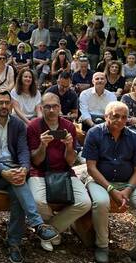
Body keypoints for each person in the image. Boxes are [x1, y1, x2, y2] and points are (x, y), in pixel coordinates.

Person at [0, 91, 59, 262]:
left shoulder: (18, 125)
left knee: (17, 193)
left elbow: (23, 150)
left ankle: (14, 243)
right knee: (19, 184)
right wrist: (3, 172)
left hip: (14, 171)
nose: (4, 106)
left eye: (7, 102)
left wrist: (24, 168)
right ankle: (37, 224)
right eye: (0, 103)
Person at [82, 101, 136, 263]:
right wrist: (111, 189)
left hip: (126, 183)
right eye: (115, 116)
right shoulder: (94, 133)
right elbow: (91, 168)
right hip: (99, 181)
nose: (120, 120)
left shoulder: (135, 137)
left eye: (124, 117)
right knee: (101, 202)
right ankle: (102, 245)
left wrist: (128, 190)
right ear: (106, 116)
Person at [27, 93, 92, 251]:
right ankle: (52, 232)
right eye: (47, 107)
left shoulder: (68, 126)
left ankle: (49, 230)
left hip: (64, 171)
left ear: (60, 108)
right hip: (39, 172)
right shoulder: (34, 126)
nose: (51, 110)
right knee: (38, 201)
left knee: (85, 202)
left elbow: (70, 161)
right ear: (41, 108)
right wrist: (43, 146)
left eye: (55, 106)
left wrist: (69, 146)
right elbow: (35, 161)